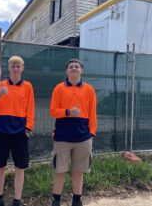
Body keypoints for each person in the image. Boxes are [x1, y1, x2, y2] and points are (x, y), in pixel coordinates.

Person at [0, 56, 35, 206]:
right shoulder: (1, 85)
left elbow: (31, 109)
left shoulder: (27, 86)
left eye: (18, 66)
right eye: (12, 66)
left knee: (19, 167)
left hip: (20, 133)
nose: (15, 68)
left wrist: (28, 128)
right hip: (2, 132)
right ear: (9, 68)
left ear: (22, 68)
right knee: (0, 167)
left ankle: (17, 200)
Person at [49, 59, 97, 206]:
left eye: (77, 66)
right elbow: (53, 111)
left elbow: (93, 113)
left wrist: (92, 133)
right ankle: (56, 201)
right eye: (71, 67)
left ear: (81, 70)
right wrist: (68, 112)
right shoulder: (59, 88)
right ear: (67, 71)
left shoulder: (89, 89)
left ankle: (77, 201)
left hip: (83, 138)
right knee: (60, 171)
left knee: (78, 171)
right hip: (62, 137)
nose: (74, 68)